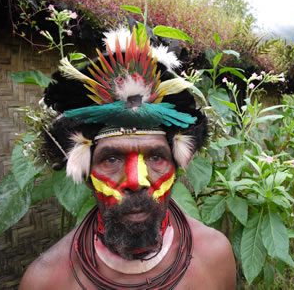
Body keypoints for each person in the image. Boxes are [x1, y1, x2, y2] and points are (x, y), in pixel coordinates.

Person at [19, 27, 236, 289]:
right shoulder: (46, 281)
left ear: (176, 168)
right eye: (111, 159)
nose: (136, 180)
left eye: (156, 157)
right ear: (86, 175)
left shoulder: (215, 258)